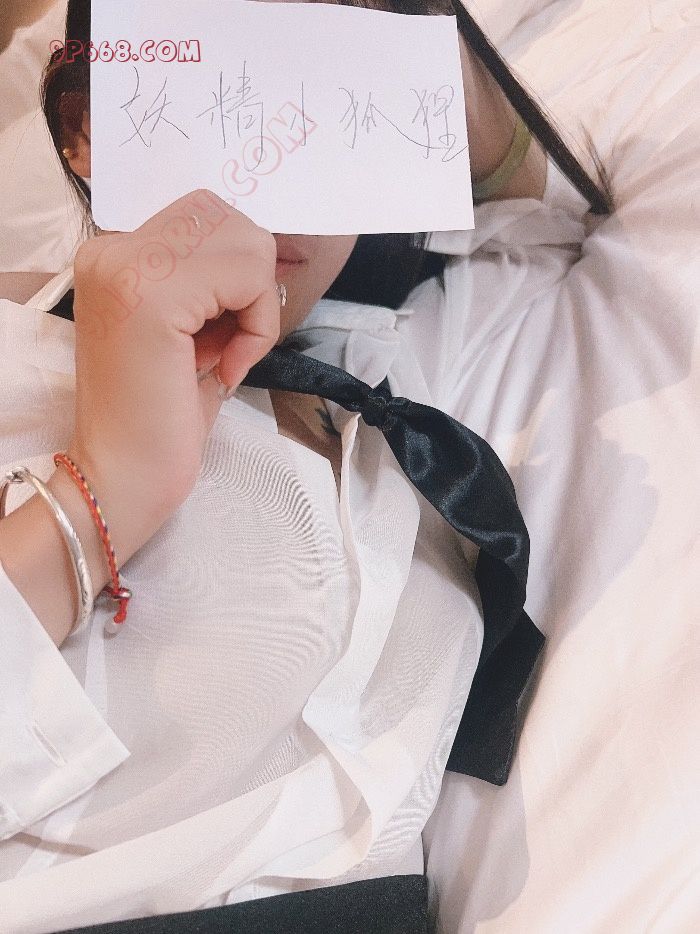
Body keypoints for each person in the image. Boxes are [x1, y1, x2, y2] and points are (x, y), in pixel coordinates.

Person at [0, 1, 614, 932]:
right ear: (86, 127)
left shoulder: (390, 362)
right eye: (225, 93)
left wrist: (408, 50)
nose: (281, 169)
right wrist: (102, 494)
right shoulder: (16, 356)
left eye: (337, 103)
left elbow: (551, 217)